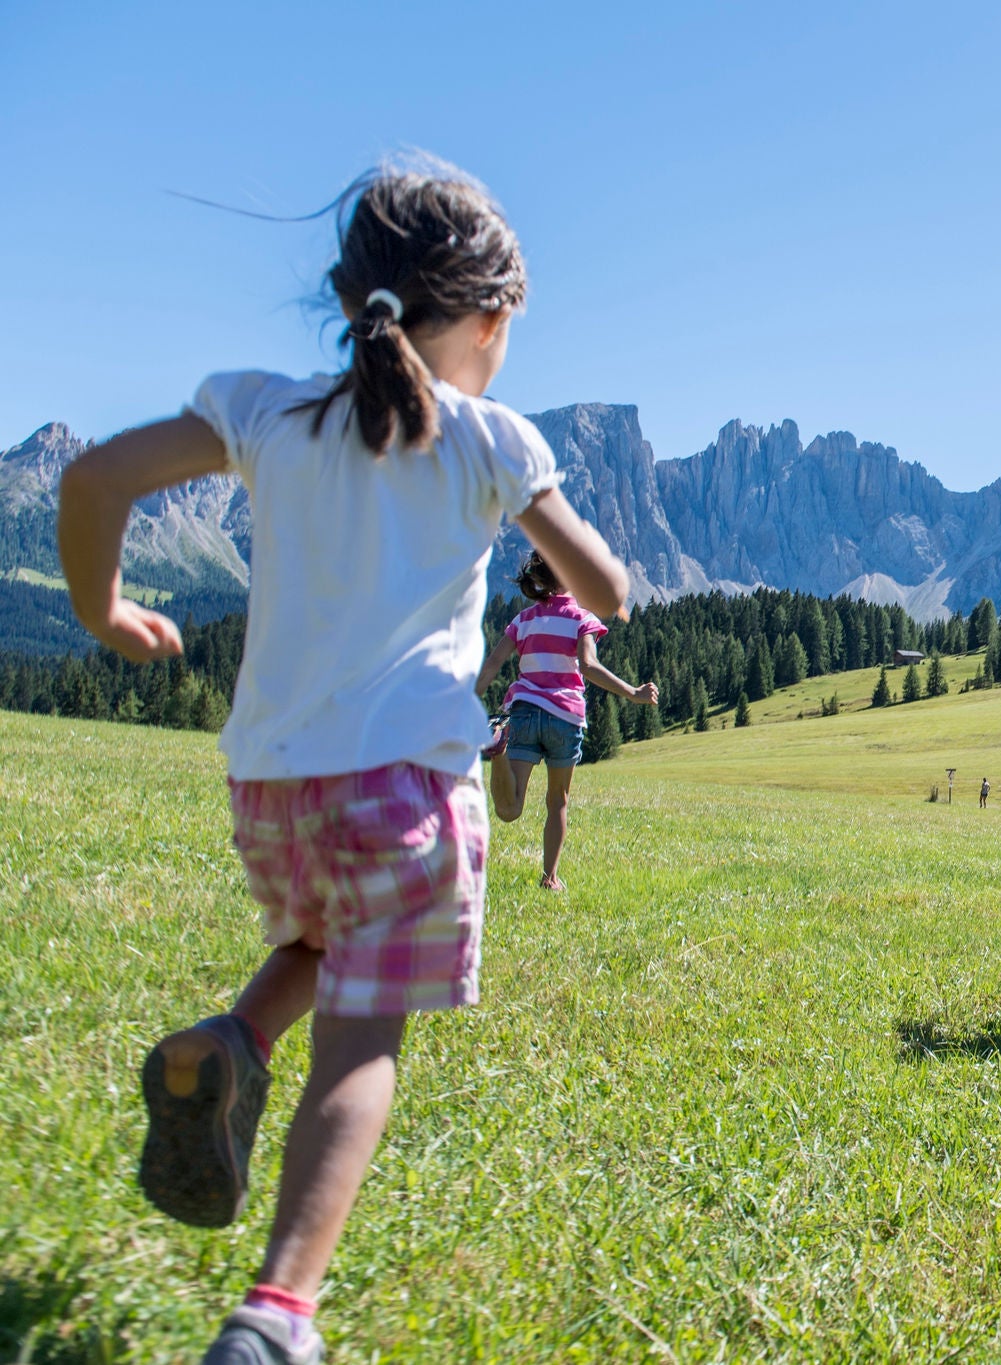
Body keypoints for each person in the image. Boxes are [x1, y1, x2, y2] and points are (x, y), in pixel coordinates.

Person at [56, 159, 631, 1365]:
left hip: (272, 784)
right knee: (365, 1039)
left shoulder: (266, 410)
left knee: (322, 940)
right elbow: (605, 586)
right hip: (411, 787)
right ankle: (278, 1317)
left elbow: (94, 476)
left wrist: (106, 612)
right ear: (487, 321)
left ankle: (229, 1044)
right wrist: (588, 577)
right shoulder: (490, 438)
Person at [477, 550, 657, 889]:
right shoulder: (580, 618)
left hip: (525, 712)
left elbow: (492, 663)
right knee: (557, 801)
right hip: (565, 717)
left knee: (510, 808)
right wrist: (633, 692)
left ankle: (498, 753)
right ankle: (550, 878)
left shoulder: (524, 620)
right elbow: (588, 667)